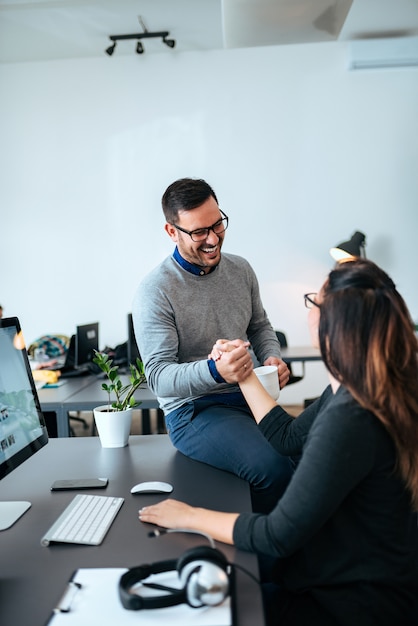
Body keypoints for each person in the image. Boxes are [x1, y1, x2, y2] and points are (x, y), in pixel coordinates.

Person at [138, 258, 418, 626]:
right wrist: (241, 372)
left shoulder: (350, 419)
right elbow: (287, 437)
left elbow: (277, 535)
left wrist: (189, 516)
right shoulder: (363, 387)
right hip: (355, 567)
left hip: (353, 602)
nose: (309, 312)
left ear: (334, 326)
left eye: (313, 303)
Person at [132, 177, 292, 513]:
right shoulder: (155, 291)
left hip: (251, 397)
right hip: (194, 411)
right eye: (199, 232)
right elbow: (159, 377)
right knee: (274, 468)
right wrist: (215, 371)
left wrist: (272, 357)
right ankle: (266, 555)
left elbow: (260, 325)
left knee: (312, 452)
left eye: (217, 224)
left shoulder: (241, 269)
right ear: (171, 231)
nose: (213, 238)